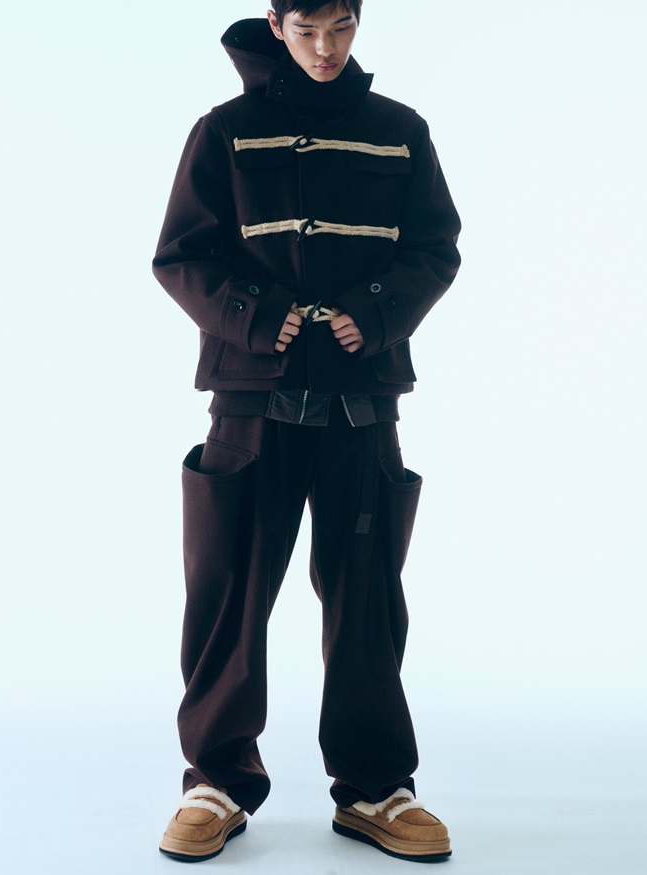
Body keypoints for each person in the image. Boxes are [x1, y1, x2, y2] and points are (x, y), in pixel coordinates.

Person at [152, 0, 461, 863]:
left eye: (342, 27)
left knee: (368, 602)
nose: (325, 48)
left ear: (359, 21)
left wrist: (378, 309)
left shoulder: (400, 131)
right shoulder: (224, 130)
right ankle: (215, 782)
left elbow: (435, 246)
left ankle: (374, 788)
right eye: (307, 29)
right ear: (276, 21)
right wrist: (256, 314)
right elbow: (180, 254)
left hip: (363, 404)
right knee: (229, 598)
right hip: (251, 406)